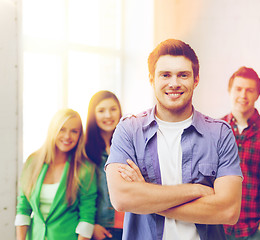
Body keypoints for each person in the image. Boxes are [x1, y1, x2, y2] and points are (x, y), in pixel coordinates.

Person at [105, 38, 243, 240]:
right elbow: (122, 199)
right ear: (152, 79)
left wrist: (146, 196)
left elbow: (228, 211)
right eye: (165, 75)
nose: (174, 83)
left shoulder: (220, 134)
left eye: (183, 75)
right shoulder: (128, 130)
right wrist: (195, 190)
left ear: (196, 80)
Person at [222, 66, 260, 240]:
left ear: (257, 94)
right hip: (219, 226)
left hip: (255, 228)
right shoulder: (216, 129)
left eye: (250, 90)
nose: (243, 95)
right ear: (229, 91)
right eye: (238, 89)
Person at [15, 109, 97, 240]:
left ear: (80, 135)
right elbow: (23, 208)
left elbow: (87, 217)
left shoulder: (85, 169)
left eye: (74, 131)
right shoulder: (33, 162)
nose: (67, 136)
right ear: (53, 130)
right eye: (62, 129)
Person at [85, 90, 124, 240]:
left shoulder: (129, 145)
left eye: (113, 109)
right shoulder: (85, 149)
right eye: (101, 110)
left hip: (130, 223)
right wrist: (92, 225)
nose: (108, 115)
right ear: (93, 115)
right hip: (102, 227)